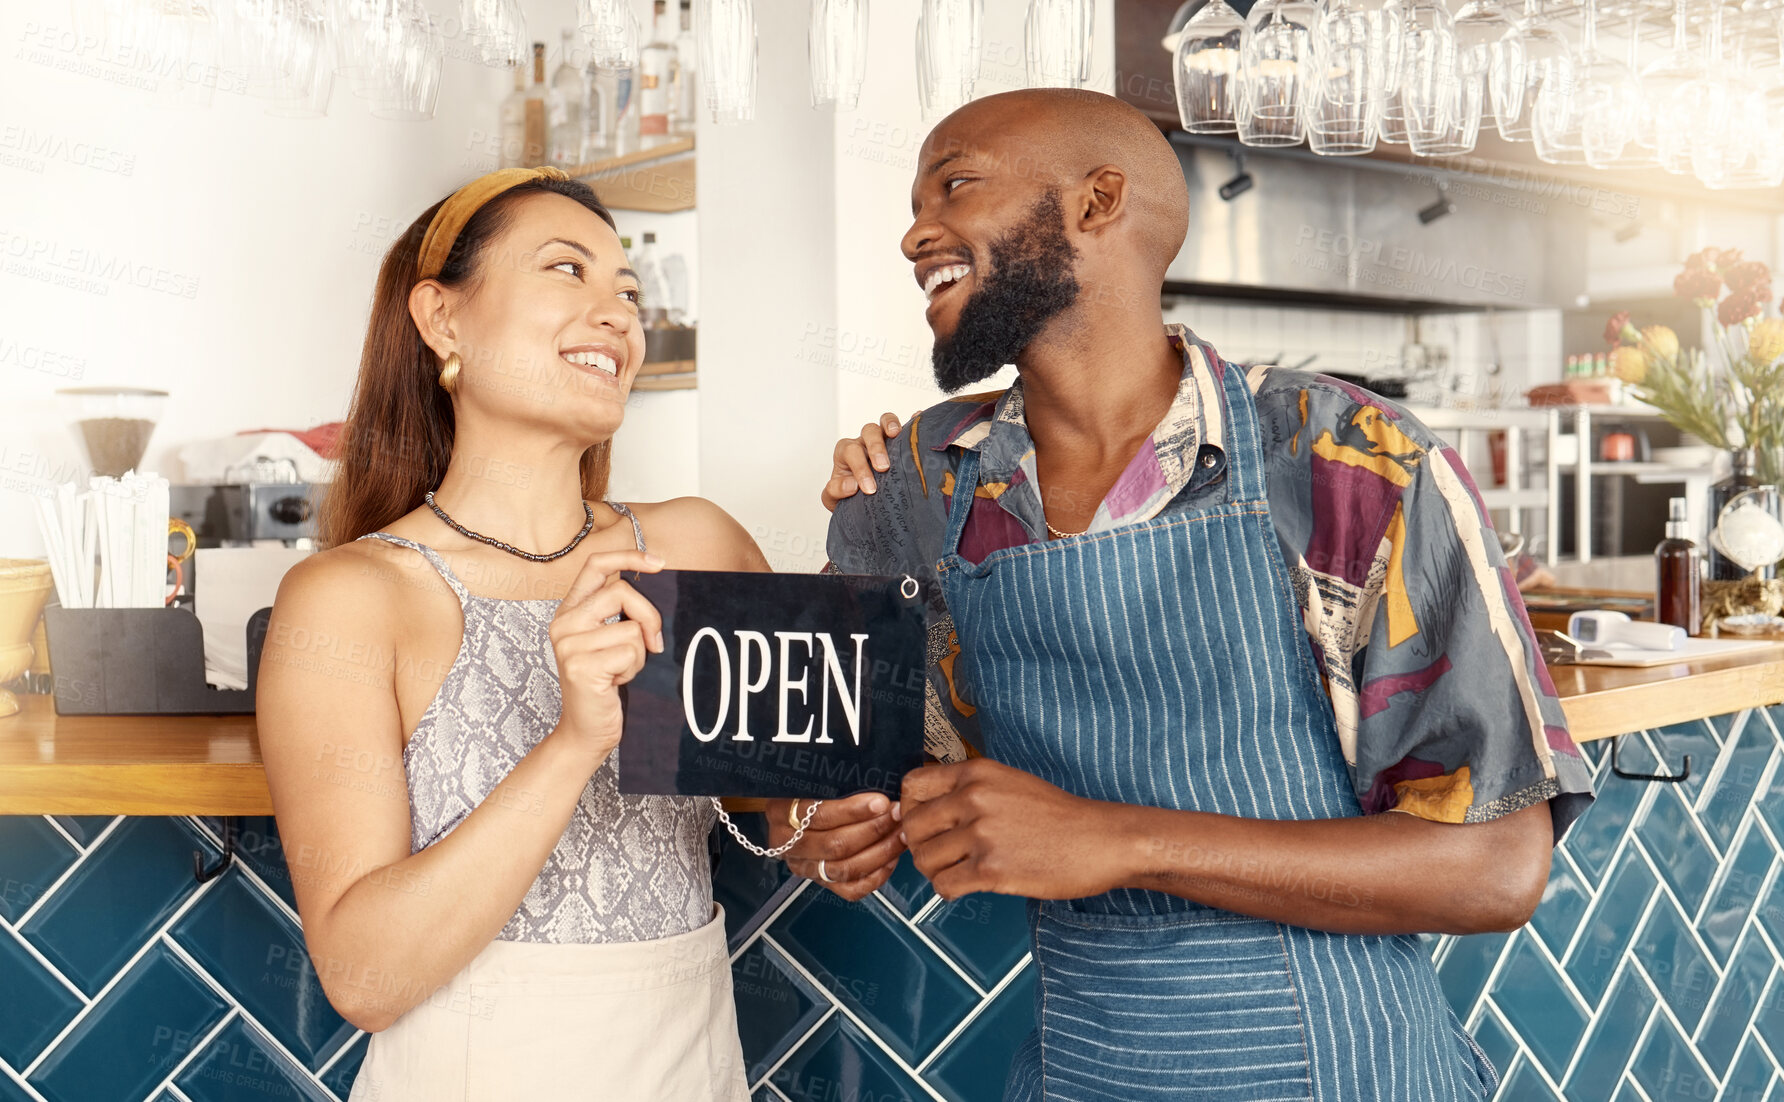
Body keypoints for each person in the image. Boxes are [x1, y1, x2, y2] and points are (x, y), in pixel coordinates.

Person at [786, 88, 1596, 1100]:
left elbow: (1496, 864)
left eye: (956, 186)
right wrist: (816, 825)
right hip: (1086, 1068)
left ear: (1097, 202)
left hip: (1347, 1067)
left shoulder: (1352, 460)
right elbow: (821, 759)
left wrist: (1115, 838)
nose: (915, 234)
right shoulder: (923, 479)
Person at [259, 167, 767, 1100]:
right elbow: (364, 978)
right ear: (443, 320)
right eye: (567, 271)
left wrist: (892, 505)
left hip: (688, 1065)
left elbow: (797, 811)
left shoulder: (696, 545)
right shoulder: (349, 599)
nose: (617, 313)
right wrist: (576, 742)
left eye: (627, 290)